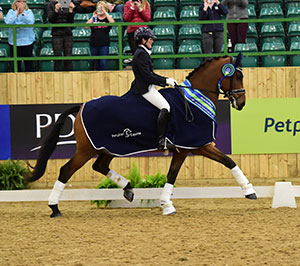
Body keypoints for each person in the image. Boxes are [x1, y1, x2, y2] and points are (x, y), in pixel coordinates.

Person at [130, 27, 178, 151]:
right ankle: (161, 140)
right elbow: (148, 76)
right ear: (143, 40)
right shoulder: (141, 54)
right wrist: (166, 81)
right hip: (145, 89)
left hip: (149, 86)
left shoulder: (143, 53)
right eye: (150, 39)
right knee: (165, 107)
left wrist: (165, 80)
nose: (152, 41)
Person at [5, 0, 35, 72]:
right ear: (15, 2)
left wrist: (22, 13)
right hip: (14, 42)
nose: (21, 3)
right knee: (15, 66)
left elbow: (30, 22)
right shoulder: (11, 12)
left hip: (27, 42)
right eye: (19, 1)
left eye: (23, 1)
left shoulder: (29, 12)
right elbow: (8, 22)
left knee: (29, 65)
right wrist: (16, 13)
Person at [47, 0, 75, 71]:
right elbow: (51, 19)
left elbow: (71, 21)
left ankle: (69, 77)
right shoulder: (51, 4)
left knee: (68, 57)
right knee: (57, 57)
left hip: (68, 33)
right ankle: (57, 77)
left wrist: (71, 11)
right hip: (56, 34)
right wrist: (56, 10)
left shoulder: (67, 2)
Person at [87, 1, 114, 70]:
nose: (100, 9)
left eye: (102, 8)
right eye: (99, 8)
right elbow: (87, 26)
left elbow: (112, 22)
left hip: (104, 44)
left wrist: (105, 12)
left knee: (103, 63)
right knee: (95, 63)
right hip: (94, 43)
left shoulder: (107, 18)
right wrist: (94, 16)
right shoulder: (94, 18)